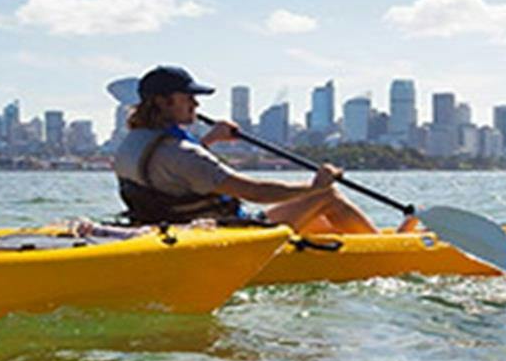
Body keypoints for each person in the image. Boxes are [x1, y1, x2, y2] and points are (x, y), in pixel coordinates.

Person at [113, 65, 382, 234]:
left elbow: (173, 173)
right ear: (163, 102)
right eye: (188, 98)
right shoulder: (184, 153)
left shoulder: (134, 143)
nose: (195, 104)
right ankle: (388, 253)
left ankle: (370, 243)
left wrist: (209, 140)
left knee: (322, 226)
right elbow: (254, 192)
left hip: (177, 229)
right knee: (328, 198)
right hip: (228, 233)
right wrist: (316, 187)